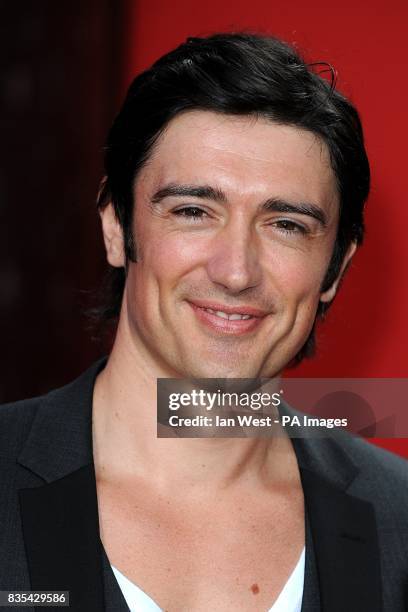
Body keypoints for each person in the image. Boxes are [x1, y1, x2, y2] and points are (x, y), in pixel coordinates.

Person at [0, 33, 407, 612]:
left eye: (286, 224)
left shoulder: (399, 522)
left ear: (335, 267)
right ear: (117, 226)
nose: (236, 272)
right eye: (193, 211)